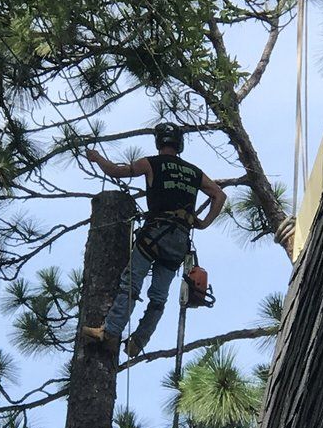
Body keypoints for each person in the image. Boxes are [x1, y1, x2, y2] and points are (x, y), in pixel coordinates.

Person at [82, 122, 227, 356]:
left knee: (131, 283)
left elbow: (117, 171)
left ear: (159, 142)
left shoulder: (150, 163)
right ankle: (138, 342)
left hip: (155, 235)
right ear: (179, 144)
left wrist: (97, 158)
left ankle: (109, 331)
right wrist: (203, 222)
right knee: (158, 297)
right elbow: (219, 195)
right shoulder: (193, 172)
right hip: (179, 240)